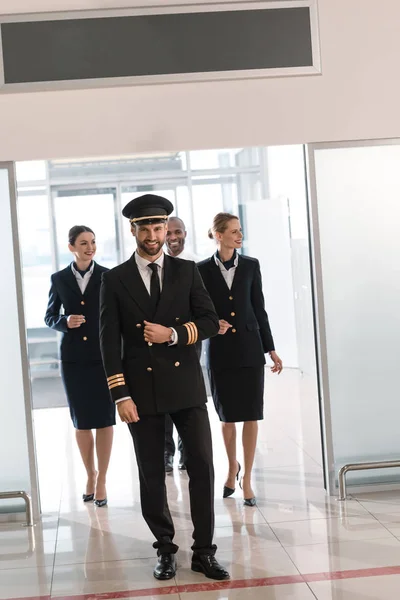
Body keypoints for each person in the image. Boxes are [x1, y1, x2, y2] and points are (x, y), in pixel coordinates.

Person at [99, 194, 229, 582]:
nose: (153, 235)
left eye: (159, 228)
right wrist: (120, 394)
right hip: (141, 392)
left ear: (166, 229)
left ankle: (204, 551)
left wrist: (172, 334)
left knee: (202, 467)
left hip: (186, 387)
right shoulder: (114, 278)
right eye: (146, 228)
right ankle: (166, 549)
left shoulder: (187, 271)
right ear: (133, 230)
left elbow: (208, 321)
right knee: (152, 473)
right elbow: (108, 342)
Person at [198, 213, 283, 507]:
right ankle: (231, 466)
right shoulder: (200, 270)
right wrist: (211, 325)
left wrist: (270, 348)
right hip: (219, 352)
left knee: (250, 414)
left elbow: (259, 309)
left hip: (249, 348)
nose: (239, 235)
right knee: (227, 417)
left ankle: (247, 478)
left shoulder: (250, 266)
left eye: (240, 231)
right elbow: (197, 311)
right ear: (218, 235)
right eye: (234, 231)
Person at [44, 225, 115, 507]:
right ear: (71, 246)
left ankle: (103, 480)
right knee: (82, 420)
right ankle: (90, 474)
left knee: (106, 418)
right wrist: (64, 322)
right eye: (84, 243)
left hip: (103, 357)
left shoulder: (108, 276)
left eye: (93, 242)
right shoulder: (59, 278)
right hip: (73, 359)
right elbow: (49, 316)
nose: (90, 247)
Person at [163, 216, 201, 472]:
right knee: (163, 399)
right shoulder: (155, 264)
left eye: (178, 232)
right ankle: (166, 453)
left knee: (188, 397)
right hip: (161, 339)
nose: (173, 237)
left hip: (189, 338)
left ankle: (187, 454)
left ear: (185, 233)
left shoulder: (195, 263)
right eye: (168, 233)